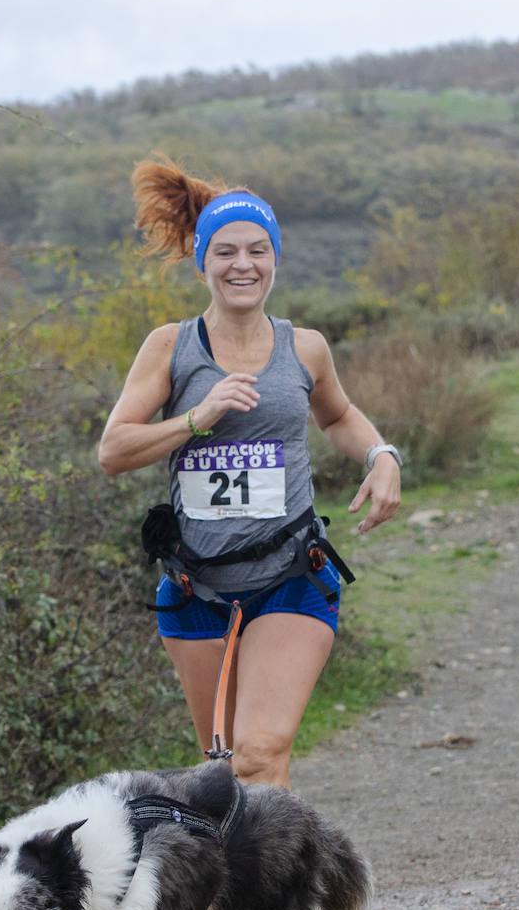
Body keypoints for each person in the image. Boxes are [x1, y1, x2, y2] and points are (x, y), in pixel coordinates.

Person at [98, 156, 401, 789]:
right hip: (197, 585)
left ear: (275, 259)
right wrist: (196, 419)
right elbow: (115, 450)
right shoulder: (169, 346)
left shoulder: (305, 346)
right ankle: (267, 887)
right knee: (228, 771)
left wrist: (381, 456)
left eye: (258, 251)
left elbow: (340, 415)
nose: (244, 265)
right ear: (203, 261)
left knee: (260, 751)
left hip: (290, 576)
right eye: (227, 251)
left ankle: (278, 889)